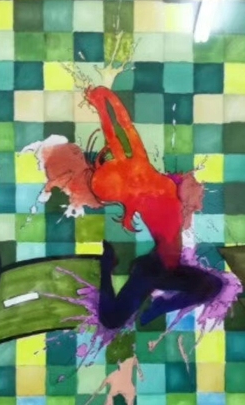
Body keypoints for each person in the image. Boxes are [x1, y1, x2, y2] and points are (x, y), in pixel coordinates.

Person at [80, 85, 224, 330]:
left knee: (214, 286)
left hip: (168, 267)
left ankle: (158, 307)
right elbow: (119, 131)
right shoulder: (137, 189)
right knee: (111, 320)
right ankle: (105, 268)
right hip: (154, 267)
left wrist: (103, 99)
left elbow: (119, 129)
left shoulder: (139, 167)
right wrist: (104, 99)